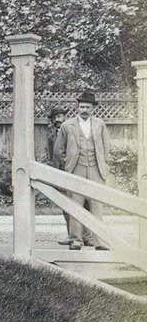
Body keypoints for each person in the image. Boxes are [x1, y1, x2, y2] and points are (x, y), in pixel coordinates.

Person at [54, 90, 112, 251]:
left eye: (87, 107)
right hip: (76, 168)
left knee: (97, 206)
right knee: (75, 205)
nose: (84, 110)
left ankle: (99, 241)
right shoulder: (67, 125)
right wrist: (69, 164)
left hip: (96, 169)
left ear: (93, 108)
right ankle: (76, 240)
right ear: (77, 108)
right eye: (81, 107)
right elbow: (58, 151)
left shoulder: (99, 124)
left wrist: (103, 163)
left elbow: (106, 146)